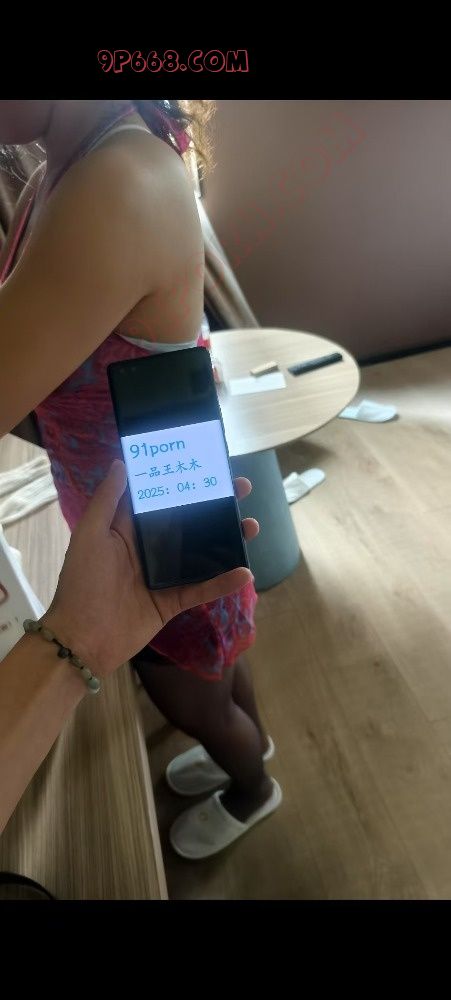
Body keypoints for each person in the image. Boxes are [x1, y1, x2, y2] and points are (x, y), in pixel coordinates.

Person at [0, 100, 281, 858]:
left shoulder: (117, 180)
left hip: (158, 514)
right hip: (155, 490)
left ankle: (252, 784)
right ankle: (244, 741)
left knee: (188, 688)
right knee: (217, 659)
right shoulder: (60, 171)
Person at [0, 461, 259, 838]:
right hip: (133, 557)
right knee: (217, 695)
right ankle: (252, 750)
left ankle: (255, 790)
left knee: (207, 712)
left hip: (174, 578)